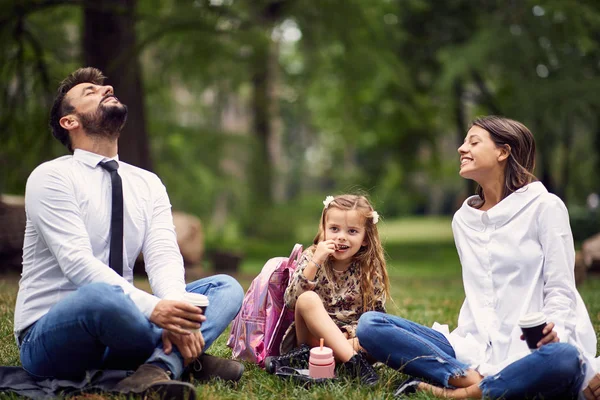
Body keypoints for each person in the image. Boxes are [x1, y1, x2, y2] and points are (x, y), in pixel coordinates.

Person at [14, 67, 245, 398]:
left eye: (105, 86)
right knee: (104, 297)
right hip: (50, 335)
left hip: (124, 326)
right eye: (90, 92)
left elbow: (163, 254)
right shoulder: (51, 177)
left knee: (226, 287)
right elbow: (77, 263)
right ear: (70, 121)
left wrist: (174, 309)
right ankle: (181, 358)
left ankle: (156, 370)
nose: (106, 89)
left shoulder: (147, 183)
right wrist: (155, 310)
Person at [356, 115, 600, 399]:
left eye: (473, 141)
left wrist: (554, 331)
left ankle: (462, 393)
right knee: (371, 326)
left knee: (564, 357)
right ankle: (480, 380)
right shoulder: (463, 220)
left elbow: (561, 289)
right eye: (463, 141)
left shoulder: (545, 207)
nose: (461, 148)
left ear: (503, 151)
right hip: (472, 348)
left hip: (532, 349)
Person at [264, 194, 391, 385]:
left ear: (365, 238)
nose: (341, 236)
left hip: (353, 339)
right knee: (307, 299)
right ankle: (355, 364)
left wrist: (346, 334)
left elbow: (375, 318)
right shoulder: (312, 256)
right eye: (334, 229)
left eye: (352, 231)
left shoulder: (369, 268)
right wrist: (315, 263)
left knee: (382, 337)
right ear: (323, 230)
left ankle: (308, 359)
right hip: (312, 338)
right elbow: (291, 301)